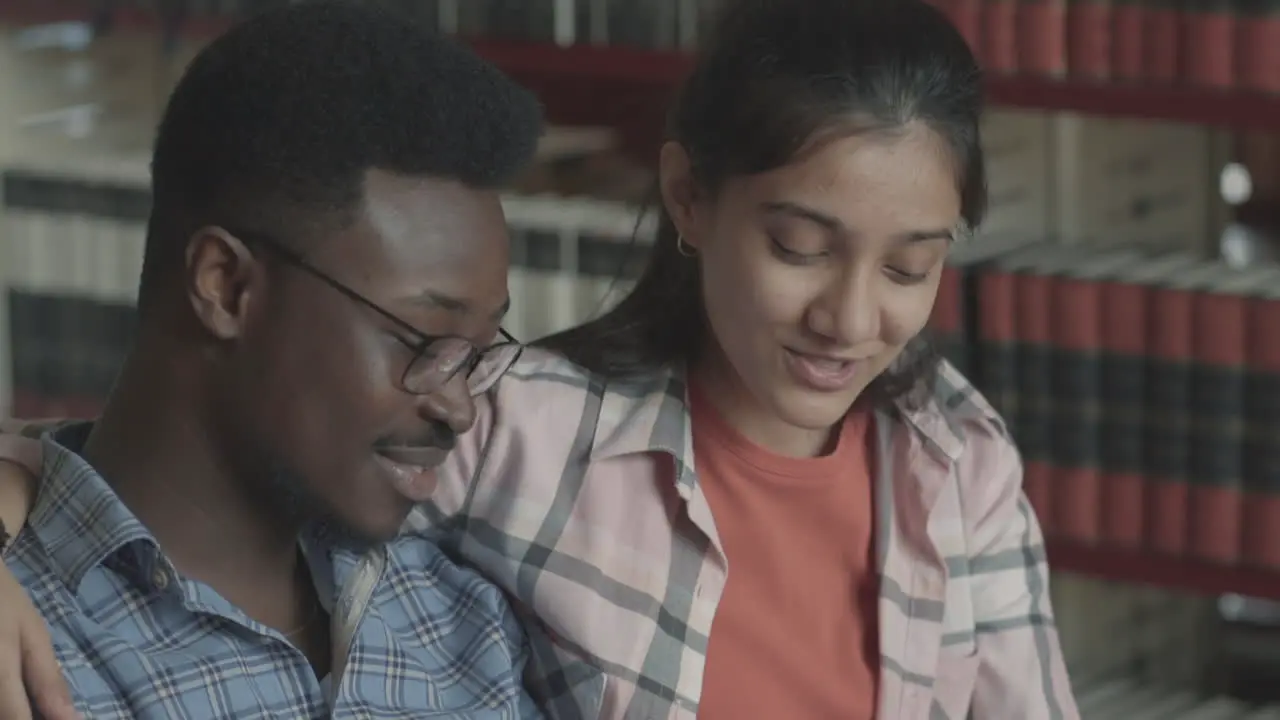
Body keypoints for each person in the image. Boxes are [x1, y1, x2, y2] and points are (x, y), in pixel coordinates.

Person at [0, 0, 1082, 717]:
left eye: (908, 269)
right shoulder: (528, 436)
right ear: (687, 200)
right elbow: (158, 464)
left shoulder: (456, 625)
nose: (849, 319)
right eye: (799, 248)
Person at [0, 2, 547, 718]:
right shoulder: (29, 654)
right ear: (225, 286)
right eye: (420, 341)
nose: (458, 405)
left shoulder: (464, 630)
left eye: (475, 355)